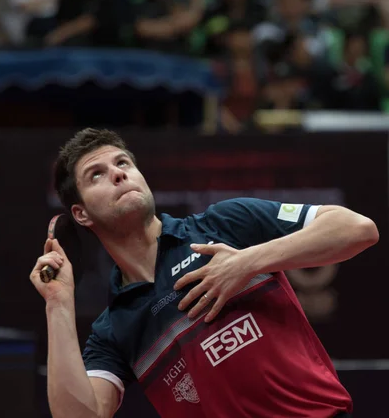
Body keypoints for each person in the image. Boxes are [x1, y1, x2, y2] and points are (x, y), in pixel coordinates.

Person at [30, 128, 379, 418]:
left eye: (123, 163)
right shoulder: (115, 329)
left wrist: (247, 262)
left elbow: (357, 229)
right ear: (82, 214)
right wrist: (58, 304)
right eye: (97, 175)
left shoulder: (226, 224)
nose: (118, 173)